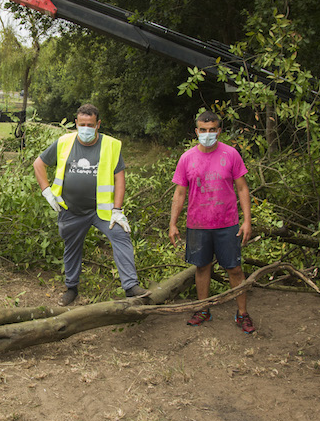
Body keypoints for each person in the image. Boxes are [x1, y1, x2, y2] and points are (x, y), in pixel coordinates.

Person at [33, 104, 148, 306]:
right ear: (76, 123)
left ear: (98, 124)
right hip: (71, 210)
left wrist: (118, 210)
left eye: (91, 124)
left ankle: (131, 286)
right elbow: (38, 164)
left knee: (121, 235)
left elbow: (119, 178)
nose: (86, 128)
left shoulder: (110, 145)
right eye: (82, 124)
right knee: (72, 247)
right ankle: (71, 288)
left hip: (101, 210)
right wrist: (46, 191)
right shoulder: (64, 142)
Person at [168, 111, 255, 333]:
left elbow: (242, 187)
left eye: (212, 130)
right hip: (198, 224)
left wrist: (247, 220)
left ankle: (242, 314)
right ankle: (203, 309)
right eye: (203, 130)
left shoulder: (231, 154)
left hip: (227, 222)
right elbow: (179, 193)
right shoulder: (187, 158)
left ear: (219, 131)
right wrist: (173, 223)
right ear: (196, 131)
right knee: (202, 267)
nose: (208, 134)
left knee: (234, 269)